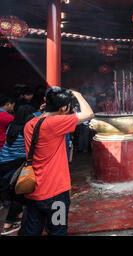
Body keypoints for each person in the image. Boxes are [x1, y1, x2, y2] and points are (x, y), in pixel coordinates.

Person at [21, 87, 94, 236]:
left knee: (32, 231)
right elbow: (89, 114)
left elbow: (45, 117)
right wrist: (77, 94)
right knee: (58, 230)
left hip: (33, 189)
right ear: (63, 107)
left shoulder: (31, 123)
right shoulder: (55, 123)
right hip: (55, 193)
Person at [0, 105, 35, 235]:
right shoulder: (25, 129)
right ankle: (8, 223)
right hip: (15, 164)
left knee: (12, 191)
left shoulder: (12, 126)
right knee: (19, 194)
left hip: (3, 161)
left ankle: (18, 214)